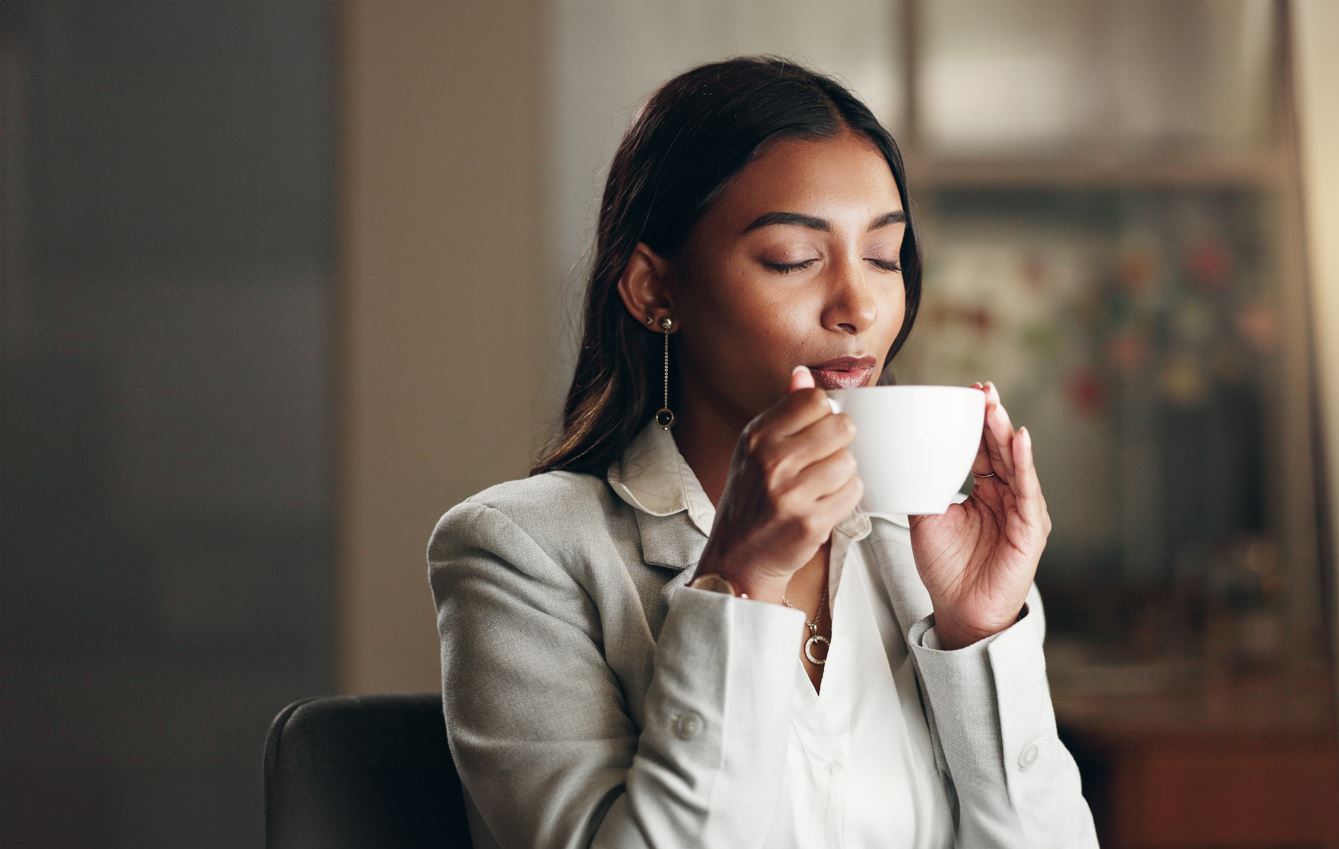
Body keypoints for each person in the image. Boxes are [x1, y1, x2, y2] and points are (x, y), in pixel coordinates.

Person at [427, 55, 1099, 849]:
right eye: (793, 258)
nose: (858, 306)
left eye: (884, 257)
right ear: (654, 289)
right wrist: (738, 584)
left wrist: (980, 632)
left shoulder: (917, 553)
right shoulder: (520, 551)